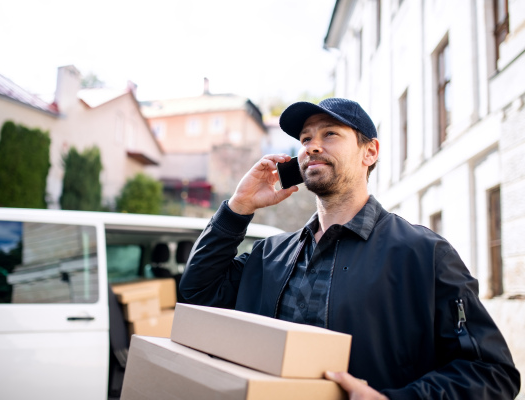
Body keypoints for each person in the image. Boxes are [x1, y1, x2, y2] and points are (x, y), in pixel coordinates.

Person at [179, 97, 521, 399]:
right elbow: (197, 293)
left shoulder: (423, 253)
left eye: (329, 134)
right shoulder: (269, 255)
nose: (312, 146)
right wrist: (238, 208)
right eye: (305, 139)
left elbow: (492, 373)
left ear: (369, 152)